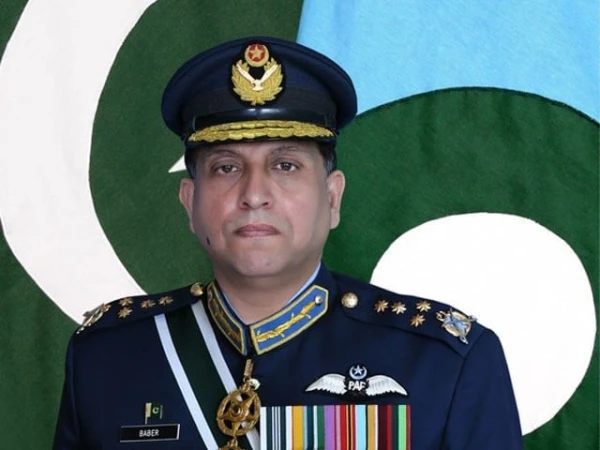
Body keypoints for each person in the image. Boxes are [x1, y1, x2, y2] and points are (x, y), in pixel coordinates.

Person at [53, 36, 523, 449]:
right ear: (190, 202)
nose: (254, 194)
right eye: (226, 167)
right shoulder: (107, 356)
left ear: (333, 198)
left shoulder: (444, 363)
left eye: (285, 165)